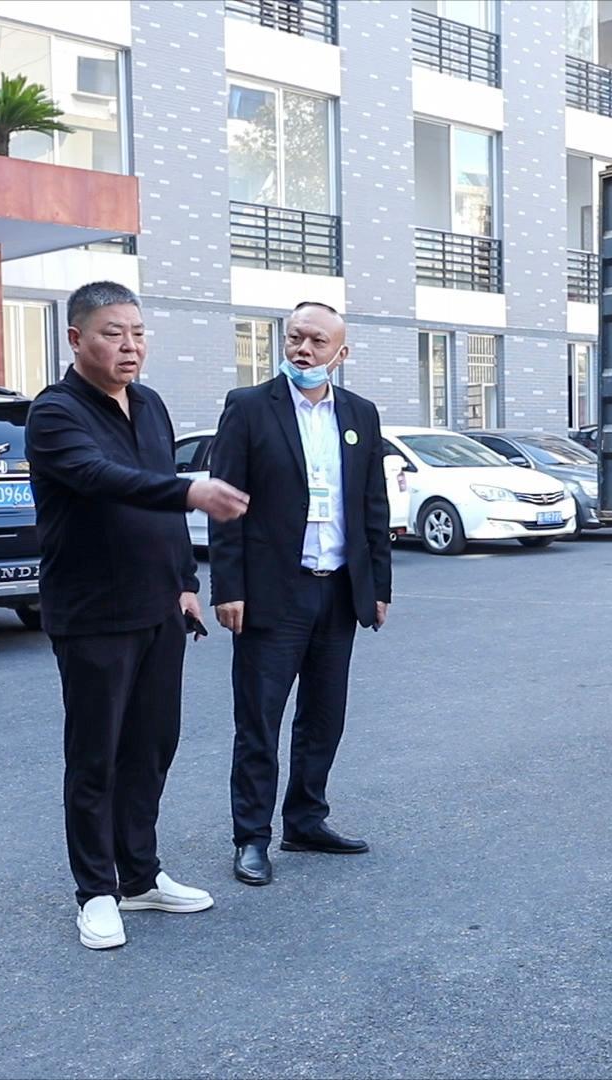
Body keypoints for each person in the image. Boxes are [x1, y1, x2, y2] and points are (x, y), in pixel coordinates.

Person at [27, 281, 249, 950]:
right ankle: (96, 891)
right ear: (76, 339)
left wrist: (185, 581)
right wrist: (190, 490)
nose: (130, 346)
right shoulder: (55, 412)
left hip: (159, 606)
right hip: (93, 611)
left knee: (152, 748)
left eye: (138, 333)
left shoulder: (149, 405)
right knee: (96, 756)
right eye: (112, 333)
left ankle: (141, 876)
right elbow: (101, 478)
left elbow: (160, 510)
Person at [209, 302, 392, 888]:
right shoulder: (248, 407)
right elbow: (225, 502)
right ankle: (252, 837)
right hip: (272, 593)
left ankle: (306, 820)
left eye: (317, 341)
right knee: (259, 721)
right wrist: (229, 587)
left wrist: (378, 586)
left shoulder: (360, 413)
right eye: (295, 338)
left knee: (323, 716)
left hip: (337, 590)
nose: (303, 350)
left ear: (341, 353)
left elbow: (372, 504)